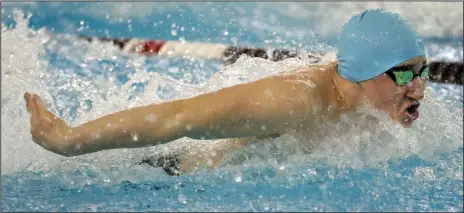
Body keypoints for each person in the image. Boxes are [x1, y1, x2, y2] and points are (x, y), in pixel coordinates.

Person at [24, 9, 429, 175]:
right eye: (402, 75)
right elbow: (178, 117)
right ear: (362, 71)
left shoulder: (372, 101)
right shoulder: (295, 100)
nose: (419, 89)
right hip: (168, 170)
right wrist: (70, 140)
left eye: (422, 72)